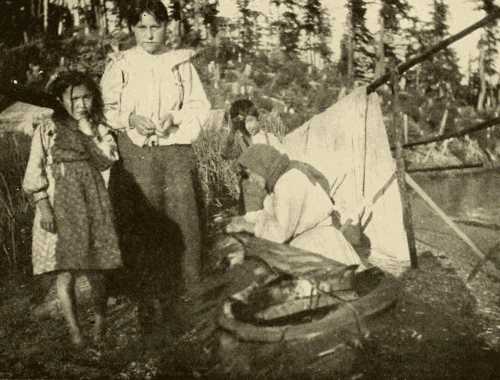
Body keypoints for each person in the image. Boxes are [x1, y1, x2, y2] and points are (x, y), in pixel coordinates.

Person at [100, 0, 211, 337]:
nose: (149, 34)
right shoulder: (121, 64)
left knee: (184, 224)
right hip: (137, 154)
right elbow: (106, 108)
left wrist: (173, 117)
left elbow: (200, 107)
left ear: (167, 28)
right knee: (146, 229)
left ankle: (190, 306)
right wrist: (130, 118)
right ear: (133, 29)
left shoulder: (179, 63)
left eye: (156, 26)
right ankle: (150, 310)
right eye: (142, 27)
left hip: (175, 151)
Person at [23, 71, 122, 347]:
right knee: (64, 271)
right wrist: (43, 206)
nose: (81, 104)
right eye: (74, 98)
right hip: (59, 202)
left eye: (87, 97)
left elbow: (106, 161)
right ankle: (74, 330)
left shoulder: (99, 128)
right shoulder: (47, 129)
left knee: (96, 269)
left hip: (91, 203)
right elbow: (35, 168)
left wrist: (89, 132)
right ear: (60, 100)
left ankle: (101, 321)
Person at [225, 144, 363, 267]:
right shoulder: (281, 182)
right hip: (318, 243)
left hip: (319, 247)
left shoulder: (287, 183)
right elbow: (271, 214)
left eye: (251, 174)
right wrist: (247, 219)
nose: (251, 180)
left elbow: (279, 233)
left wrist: (250, 227)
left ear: (262, 166)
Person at [222, 99, 285, 214]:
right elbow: (225, 154)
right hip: (250, 193)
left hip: (271, 188)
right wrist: (232, 131)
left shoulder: (269, 138)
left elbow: (283, 159)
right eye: (242, 124)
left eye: (250, 121)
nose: (247, 127)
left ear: (258, 119)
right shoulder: (241, 142)